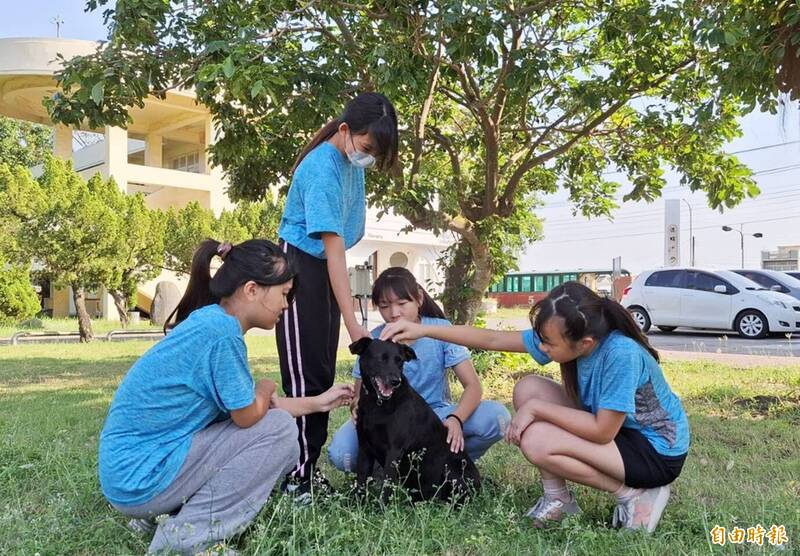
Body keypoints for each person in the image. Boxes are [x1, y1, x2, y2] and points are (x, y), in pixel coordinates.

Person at [98, 239, 353, 555]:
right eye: (284, 294)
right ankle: (182, 541)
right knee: (282, 434)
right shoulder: (222, 337)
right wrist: (266, 386)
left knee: (277, 428)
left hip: (130, 475)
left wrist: (319, 401)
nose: (287, 306)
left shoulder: (211, 323)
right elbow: (250, 415)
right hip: (142, 478)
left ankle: (164, 515)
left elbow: (258, 410)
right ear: (251, 290)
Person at [380, 282, 690, 533]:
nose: (542, 348)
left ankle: (636, 496)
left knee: (537, 438)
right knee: (528, 387)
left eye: (549, 344)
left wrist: (538, 410)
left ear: (585, 343)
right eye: (541, 339)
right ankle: (558, 500)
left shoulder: (620, 354)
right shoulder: (578, 335)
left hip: (656, 450)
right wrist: (424, 330)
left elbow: (601, 431)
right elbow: (490, 338)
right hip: (621, 431)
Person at [276, 92, 399, 496]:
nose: (367, 158)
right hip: (297, 270)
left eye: (374, 154)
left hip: (325, 266)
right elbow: (332, 249)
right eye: (366, 148)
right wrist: (354, 324)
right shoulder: (322, 170)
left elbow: (339, 248)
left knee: (324, 374)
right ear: (346, 131)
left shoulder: (350, 162)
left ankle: (307, 470)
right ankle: (297, 476)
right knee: (304, 378)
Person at [328, 267, 511, 473]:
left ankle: (449, 468)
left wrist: (456, 418)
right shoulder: (373, 341)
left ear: (419, 299)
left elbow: (473, 386)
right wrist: (356, 408)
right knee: (341, 454)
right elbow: (360, 393)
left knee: (497, 417)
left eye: (402, 303)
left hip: (436, 417)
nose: (394, 313)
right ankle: (391, 473)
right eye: (385, 306)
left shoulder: (441, 330)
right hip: (384, 421)